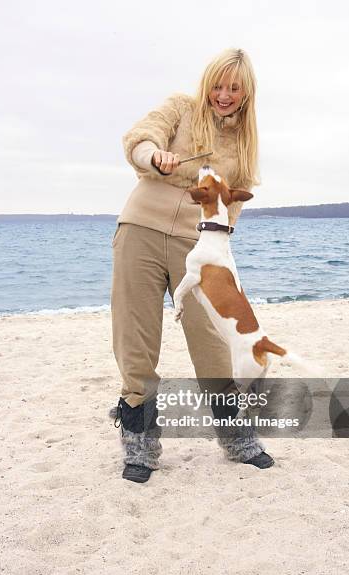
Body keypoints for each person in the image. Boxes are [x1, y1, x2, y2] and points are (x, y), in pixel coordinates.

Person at [111, 48, 274, 483]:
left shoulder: (245, 143)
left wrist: (221, 253)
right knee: (136, 338)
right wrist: (153, 156)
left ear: (246, 93)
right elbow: (140, 138)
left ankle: (234, 433)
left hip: (198, 245)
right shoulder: (181, 109)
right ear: (207, 84)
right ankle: (140, 442)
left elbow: (233, 209)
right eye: (218, 85)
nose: (223, 95)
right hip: (141, 230)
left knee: (212, 339)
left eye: (233, 88)